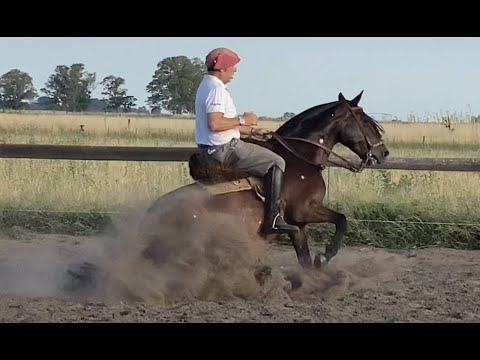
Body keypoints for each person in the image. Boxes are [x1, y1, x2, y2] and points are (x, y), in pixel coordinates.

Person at [194, 47, 299, 236]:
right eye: (232, 68)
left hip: (213, 147)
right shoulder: (217, 89)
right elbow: (215, 124)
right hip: (226, 149)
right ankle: (272, 219)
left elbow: (220, 125)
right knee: (276, 162)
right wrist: (244, 120)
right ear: (222, 69)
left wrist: (252, 131)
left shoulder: (206, 85)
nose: (234, 72)